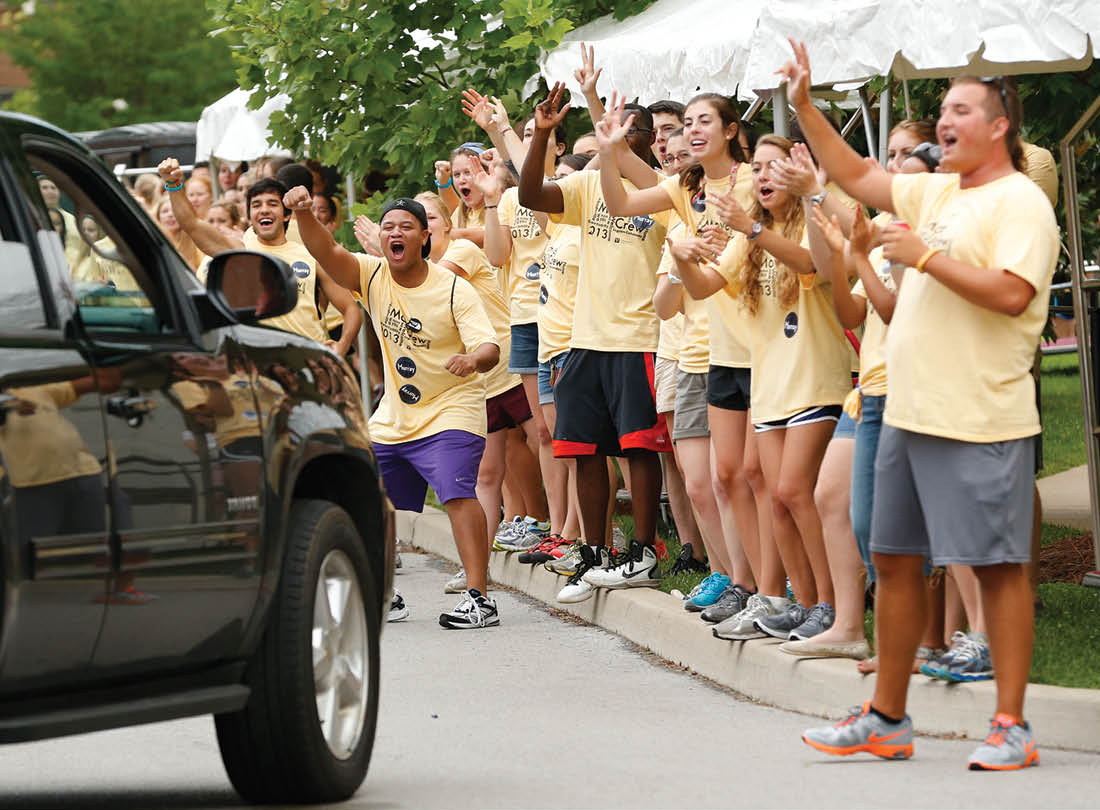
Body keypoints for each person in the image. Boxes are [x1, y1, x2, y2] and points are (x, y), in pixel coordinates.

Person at [782, 42, 1057, 770]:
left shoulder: (1021, 202)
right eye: (943, 110)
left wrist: (925, 258)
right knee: (894, 560)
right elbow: (856, 175)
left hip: (980, 417)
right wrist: (804, 106)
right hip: (906, 411)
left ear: (998, 125)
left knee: (997, 568)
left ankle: (1012, 726)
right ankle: (887, 719)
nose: (945, 121)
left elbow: (1013, 294)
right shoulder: (938, 193)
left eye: (961, 109)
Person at [286, 190, 504, 629]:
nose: (395, 233)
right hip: (396, 413)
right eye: (388, 227)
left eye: (406, 226)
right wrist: (304, 213)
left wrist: (472, 360)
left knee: (457, 492)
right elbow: (325, 251)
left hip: (452, 405)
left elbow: (490, 347)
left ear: (425, 236)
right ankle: (386, 591)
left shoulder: (453, 287)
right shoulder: (372, 275)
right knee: (363, 490)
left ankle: (479, 598)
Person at [520, 82, 671, 603]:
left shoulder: (665, 190)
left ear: (647, 138)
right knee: (584, 449)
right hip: (584, 338)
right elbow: (531, 196)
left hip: (640, 336)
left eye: (629, 129)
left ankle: (644, 551)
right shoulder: (587, 183)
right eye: (612, 128)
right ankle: (594, 553)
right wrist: (541, 136)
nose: (618, 136)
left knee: (637, 446)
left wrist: (612, 142)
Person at [158, 158, 361, 356]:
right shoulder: (240, 251)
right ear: (249, 217)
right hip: (262, 361)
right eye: (256, 205)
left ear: (286, 214)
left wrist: (342, 345)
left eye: (272, 204)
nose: (264, 209)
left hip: (310, 360)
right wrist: (173, 184)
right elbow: (191, 224)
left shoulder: (310, 256)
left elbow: (351, 308)